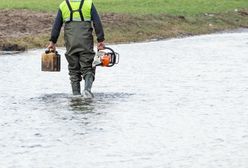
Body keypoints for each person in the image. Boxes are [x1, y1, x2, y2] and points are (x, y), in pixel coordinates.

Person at [47, 0, 105, 98]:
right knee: (88, 67)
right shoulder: (88, 4)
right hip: (85, 43)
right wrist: (100, 40)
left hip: (71, 44)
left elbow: (56, 26)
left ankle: (76, 96)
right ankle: (87, 91)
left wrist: (52, 42)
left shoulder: (63, 5)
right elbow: (97, 23)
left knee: (73, 70)